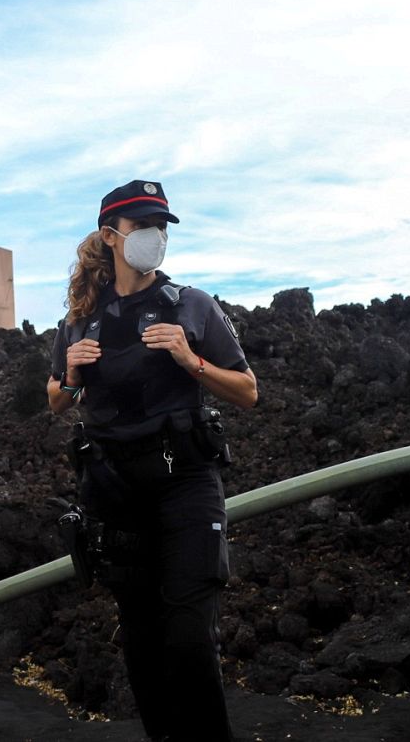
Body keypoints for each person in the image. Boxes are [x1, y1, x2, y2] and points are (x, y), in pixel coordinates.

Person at [47, 179, 257, 742]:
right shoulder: (80, 318)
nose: (155, 237)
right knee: (141, 641)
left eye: (161, 227)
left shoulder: (192, 304)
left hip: (185, 482)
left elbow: (247, 391)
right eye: (143, 226)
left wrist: (192, 360)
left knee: (189, 639)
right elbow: (56, 401)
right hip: (114, 489)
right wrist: (69, 376)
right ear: (111, 236)